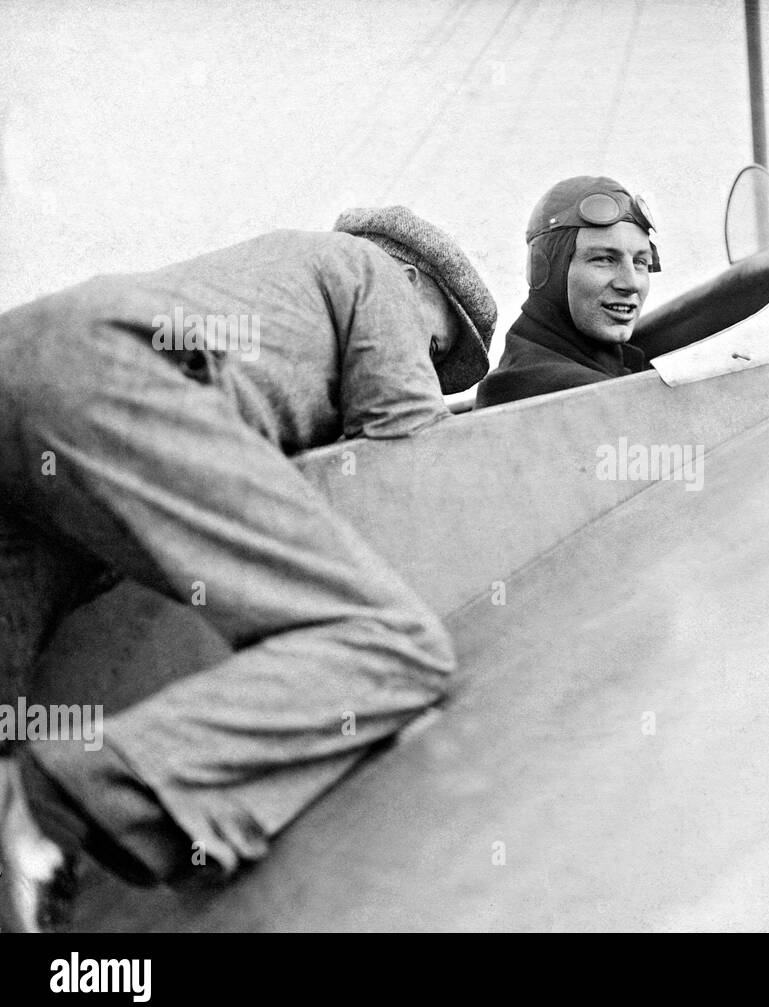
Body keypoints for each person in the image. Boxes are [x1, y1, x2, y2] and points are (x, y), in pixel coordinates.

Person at [0, 206, 496, 931]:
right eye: (432, 343)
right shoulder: (371, 270)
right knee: (393, 643)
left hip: (27, 363)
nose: (421, 358)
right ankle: (78, 789)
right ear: (415, 275)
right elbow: (407, 435)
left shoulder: (265, 286)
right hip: (114, 372)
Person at [474, 176, 660, 408]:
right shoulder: (552, 391)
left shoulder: (602, 368)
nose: (631, 283)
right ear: (545, 270)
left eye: (640, 262)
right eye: (604, 259)